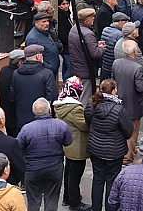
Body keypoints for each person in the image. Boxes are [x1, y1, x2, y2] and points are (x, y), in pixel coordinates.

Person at [85, 79, 134, 211]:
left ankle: (96, 208)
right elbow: (129, 131)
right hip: (114, 152)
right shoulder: (119, 109)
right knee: (112, 182)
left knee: (97, 180)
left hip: (95, 150)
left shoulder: (92, 104)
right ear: (113, 91)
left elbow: (88, 122)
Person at [18, 98, 73, 211]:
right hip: (54, 167)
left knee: (33, 200)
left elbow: (18, 147)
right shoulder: (61, 125)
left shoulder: (26, 129)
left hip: (33, 169)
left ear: (33, 111)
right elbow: (68, 142)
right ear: (49, 110)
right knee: (52, 197)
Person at [53, 78, 91, 211]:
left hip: (68, 144)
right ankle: (74, 203)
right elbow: (84, 126)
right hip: (77, 145)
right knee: (75, 175)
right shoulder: (75, 109)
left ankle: (67, 197)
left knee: (69, 172)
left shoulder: (61, 105)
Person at [111, 40, 143, 165]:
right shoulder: (137, 67)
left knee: (121, 130)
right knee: (132, 132)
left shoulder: (116, 63)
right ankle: (127, 157)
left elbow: (113, 80)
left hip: (119, 101)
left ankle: (123, 152)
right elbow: (141, 88)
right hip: (133, 104)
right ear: (134, 51)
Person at [9, 45, 56, 131]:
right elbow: (51, 97)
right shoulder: (47, 74)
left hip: (22, 118)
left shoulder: (16, 73)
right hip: (42, 120)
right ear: (38, 56)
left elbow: (12, 97)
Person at [69, 8, 106, 103]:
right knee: (85, 99)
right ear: (86, 20)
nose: (94, 19)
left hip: (76, 69)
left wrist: (94, 45)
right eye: (92, 17)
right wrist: (101, 48)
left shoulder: (74, 29)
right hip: (85, 71)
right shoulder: (88, 34)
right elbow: (95, 54)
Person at [25, 12, 62, 77]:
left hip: (51, 70)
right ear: (36, 23)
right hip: (45, 73)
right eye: (43, 22)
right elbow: (35, 60)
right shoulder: (33, 39)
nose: (47, 23)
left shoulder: (44, 32)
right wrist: (50, 67)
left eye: (47, 21)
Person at [100, 12, 129, 80]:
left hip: (105, 64)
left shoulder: (105, 30)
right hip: (113, 65)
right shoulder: (119, 35)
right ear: (120, 22)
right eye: (125, 22)